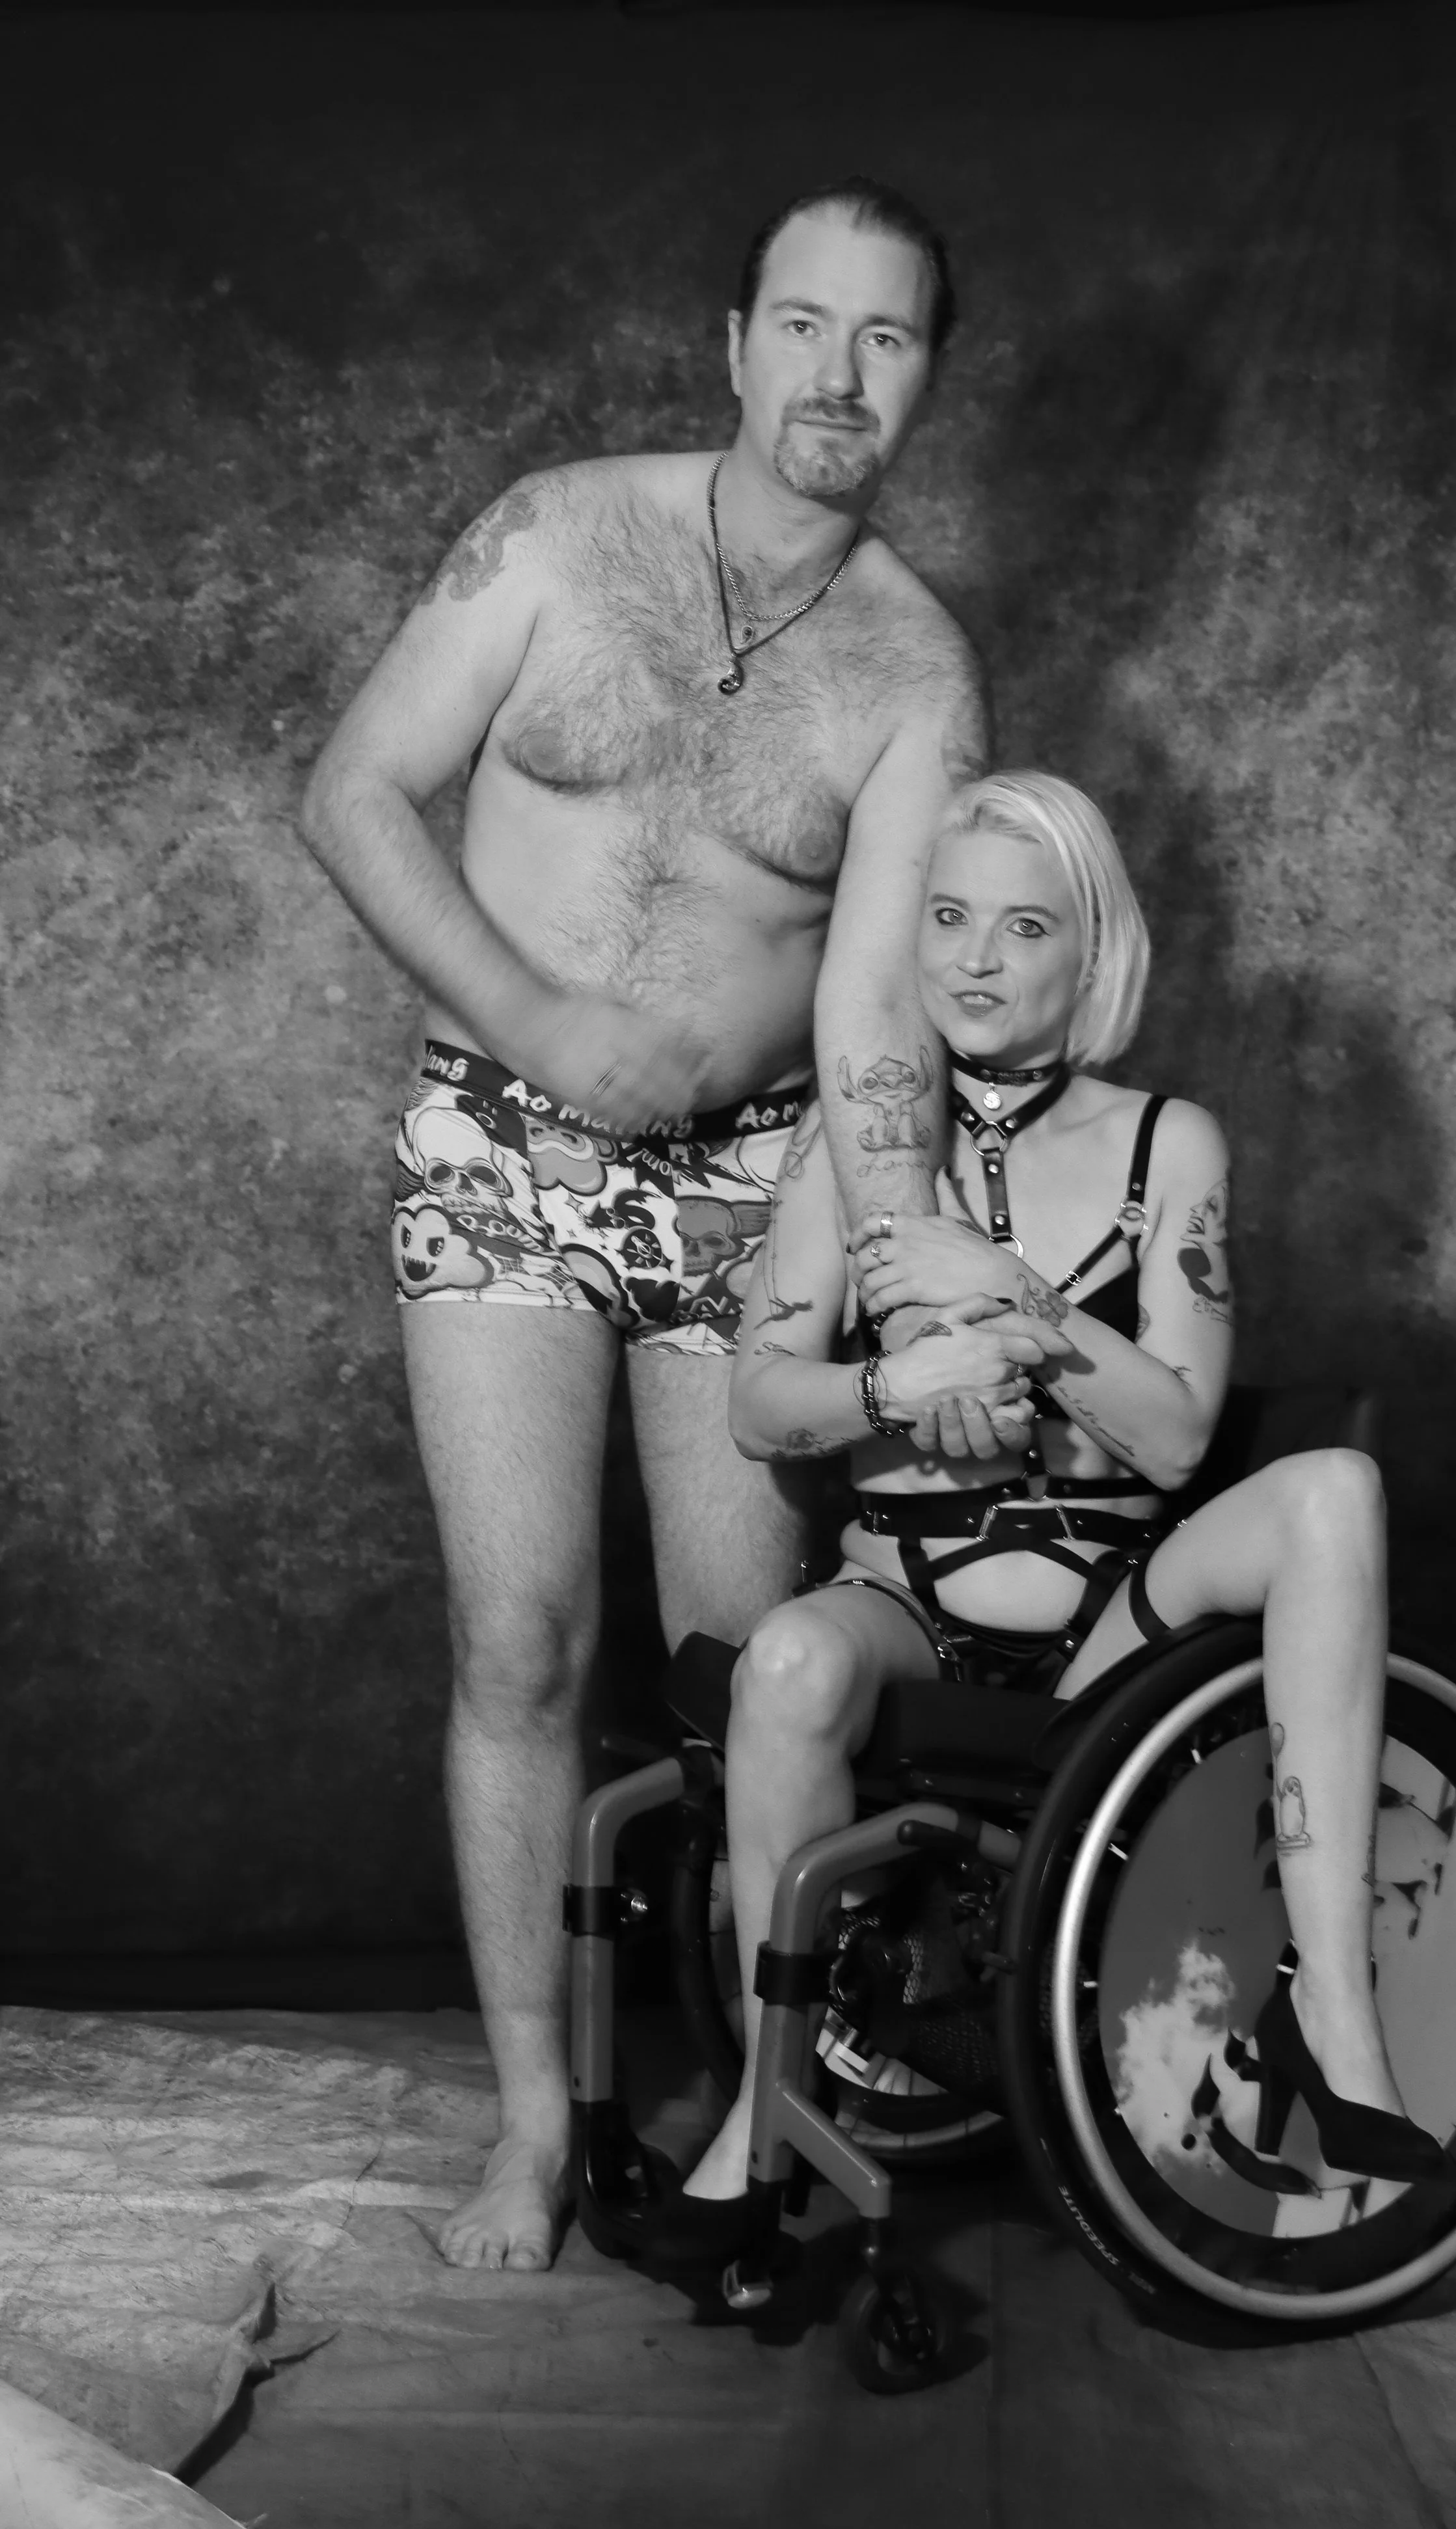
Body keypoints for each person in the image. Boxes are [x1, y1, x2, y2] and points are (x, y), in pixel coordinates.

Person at [300, 180, 986, 2270]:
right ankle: (533, 2124)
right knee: (520, 1637)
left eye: (886, 338)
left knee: (739, 1672)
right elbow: (353, 791)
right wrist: (541, 1024)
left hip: (747, 1184)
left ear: (927, 379)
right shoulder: (553, 533)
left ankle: (766, 2100)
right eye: (805, 324)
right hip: (499, 1143)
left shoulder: (915, 668)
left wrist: (895, 1276)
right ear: (734, 342)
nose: (838, 374)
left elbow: (875, 1015)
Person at [656, 768, 1444, 2249]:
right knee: (786, 1661)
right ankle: (771, 2099)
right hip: (905, 1601)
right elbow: (760, 1406)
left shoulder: (1169, 1144)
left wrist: (1007, 1293)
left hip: (1110, 1639)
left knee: (1336, 1491)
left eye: (1023, 928)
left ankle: (1337, 2023)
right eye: (948, 917)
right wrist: (900, 1385)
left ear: (1094, 953)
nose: (975, 959)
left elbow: (1178, 1436)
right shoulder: (852, 1147)